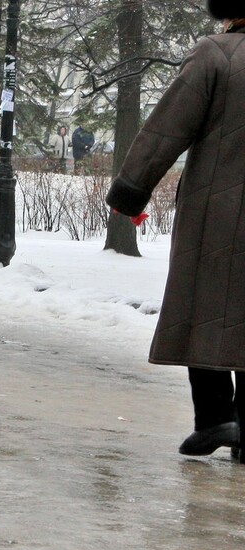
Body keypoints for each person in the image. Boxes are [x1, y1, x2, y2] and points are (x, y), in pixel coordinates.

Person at [106, 0, 245, 462]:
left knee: (204, 305)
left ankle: (215, 418)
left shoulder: (217, 55)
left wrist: (132, 189)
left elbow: (167, 129)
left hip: (218, 210)